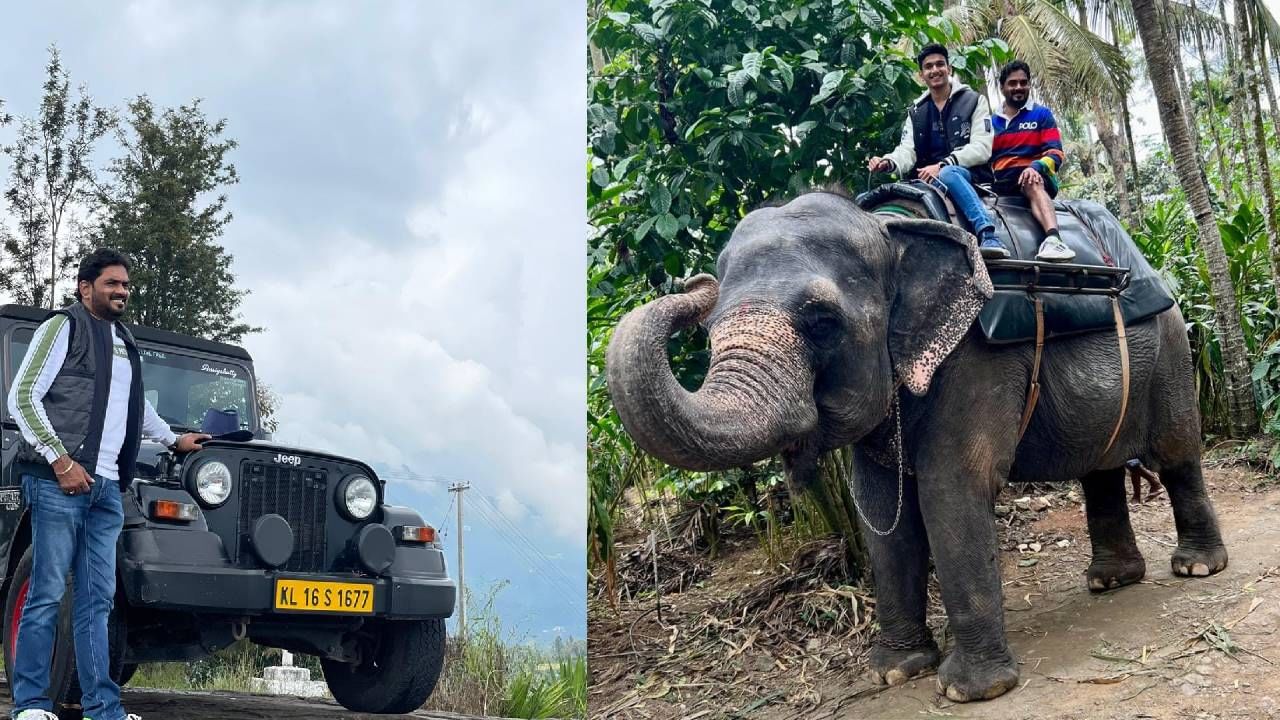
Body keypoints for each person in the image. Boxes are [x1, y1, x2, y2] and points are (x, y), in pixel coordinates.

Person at [7, 249, 209, 720]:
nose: (121, 291)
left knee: (98, 600)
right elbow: (23, 397)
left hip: (108, 490)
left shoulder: (124, 340)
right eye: (111, 283)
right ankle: (32, 705)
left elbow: (135, 408)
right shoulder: (63, 327)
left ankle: (104, 707)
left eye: (125, 285)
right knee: (46, 593)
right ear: (85, 287)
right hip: (60, 485)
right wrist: (60, 461)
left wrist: (175, 438)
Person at [868, 43, 1008, 259]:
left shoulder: (974, 101)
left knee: (948, 174)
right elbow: (907, 150)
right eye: (928, 67)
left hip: (967, 175)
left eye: (940, 64)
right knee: (868, 198)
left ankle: (988, 233)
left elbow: (982, 147)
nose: (935, 70)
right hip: (924, 181)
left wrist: (944, 164)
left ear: (949, 68)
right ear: (921, 75)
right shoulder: (916, 112)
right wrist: (888, 162)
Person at [992, 60, 1075, 262]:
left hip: (1035, 176)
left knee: (1031, 181)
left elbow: (1056, 153)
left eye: (1023, 82)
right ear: (1002, 87)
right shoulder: (991, 120)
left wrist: (1035, 167)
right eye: (1013, 83)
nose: (1019, 87)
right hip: (1001, 182)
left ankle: (1054, 238)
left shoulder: (1041, 114)